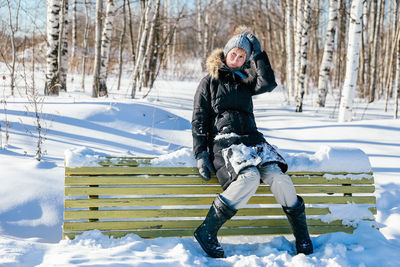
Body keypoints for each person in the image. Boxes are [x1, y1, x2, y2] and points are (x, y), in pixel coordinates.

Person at [191, 26, 313, 258]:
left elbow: (267, 83)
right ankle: (207, 231)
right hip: (225, 143)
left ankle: (302, 236)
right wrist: (200, 153)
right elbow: (198, 120)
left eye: (242, 56)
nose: (236, 60)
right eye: (233, 54)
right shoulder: (209, 82)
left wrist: (258, 54)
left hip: (253, 141)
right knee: (250, 178)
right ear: (225, 53)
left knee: (279, 178)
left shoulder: (246, 81)